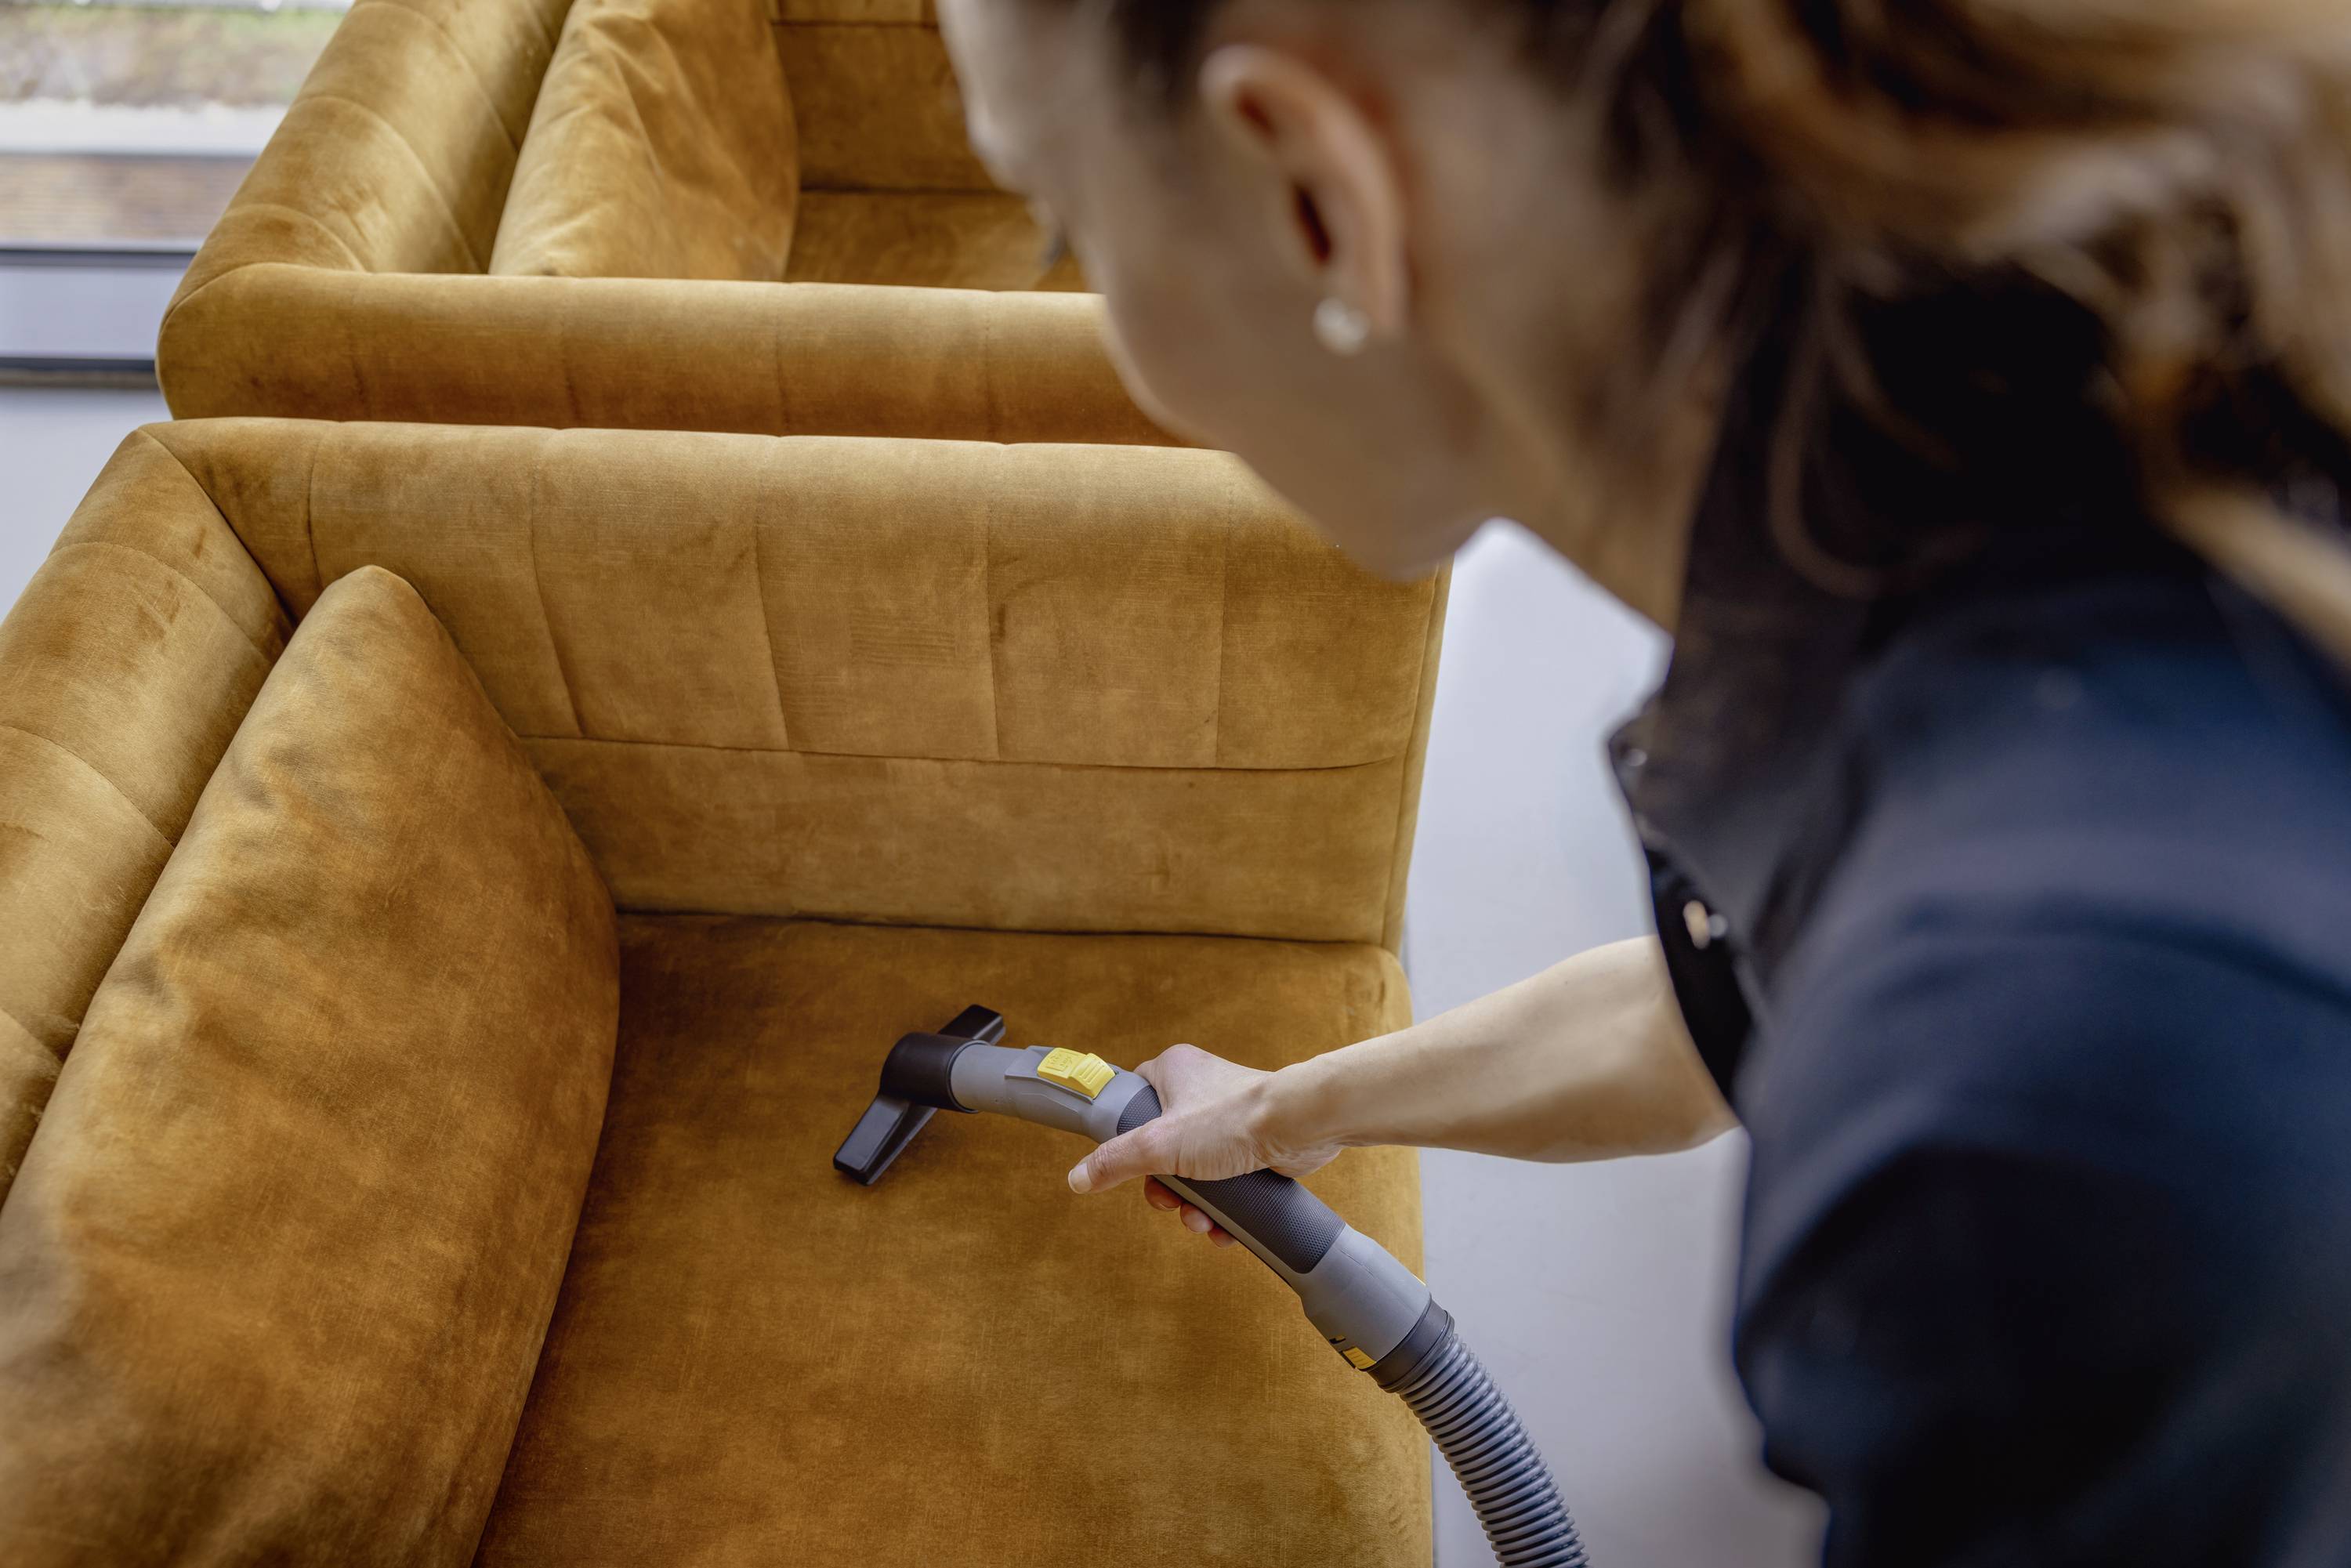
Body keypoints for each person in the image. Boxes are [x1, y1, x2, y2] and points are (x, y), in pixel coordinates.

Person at [934, 2, 2351, 1562]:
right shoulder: (2006, 454)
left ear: (1316, 195)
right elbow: (1709, 1011)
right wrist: (1284, 1110)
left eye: (1069, 218)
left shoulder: (2047, 1079)